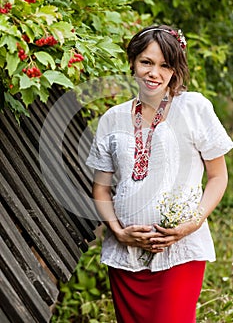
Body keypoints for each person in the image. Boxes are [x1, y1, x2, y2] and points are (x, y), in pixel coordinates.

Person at [86, 25, 233, 323]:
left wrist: (191, 224)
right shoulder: (112, 118)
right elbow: (101, 188)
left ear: (175, 69)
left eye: (165, 65)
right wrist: (118, 231)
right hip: (125, 257)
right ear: (132, 63)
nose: (155, 73)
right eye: (146, 62)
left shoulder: (194, 108)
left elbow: (218, 177)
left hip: (180, 252)